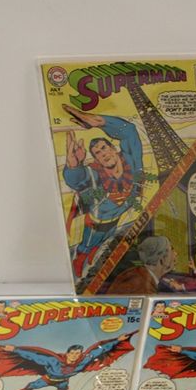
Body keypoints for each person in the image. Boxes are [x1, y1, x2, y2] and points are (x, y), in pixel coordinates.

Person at [59, 108, 145, 277]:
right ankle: (79, 260)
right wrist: (73, 166)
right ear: (96, 159)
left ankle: (92, 254)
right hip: (96, 223)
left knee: (106, 239)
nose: (103, 154)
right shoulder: (94, 173)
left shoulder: (130, 159)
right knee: (87, 244)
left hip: (117, 219)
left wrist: (100, 121)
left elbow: (129, 131)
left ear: (113, 148)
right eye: (97, 153)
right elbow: (77, 180)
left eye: (104, 148)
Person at [0, 335, 133, 390]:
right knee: (32, 386)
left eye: (78, 353)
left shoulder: (84, 360)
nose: (75, 356)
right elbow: (32, 356)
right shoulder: (53, 361)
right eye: (73, 353)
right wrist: (15, 350)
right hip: (48, 378)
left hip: (63, 380)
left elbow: (101, 349)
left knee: (63, 389)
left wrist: (118, 340)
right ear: (68, 353)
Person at [107, 234, 179, 293]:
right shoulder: (141, 285)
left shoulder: (140, 275)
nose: (176, 254)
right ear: (162, 258)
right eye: (172, 249)